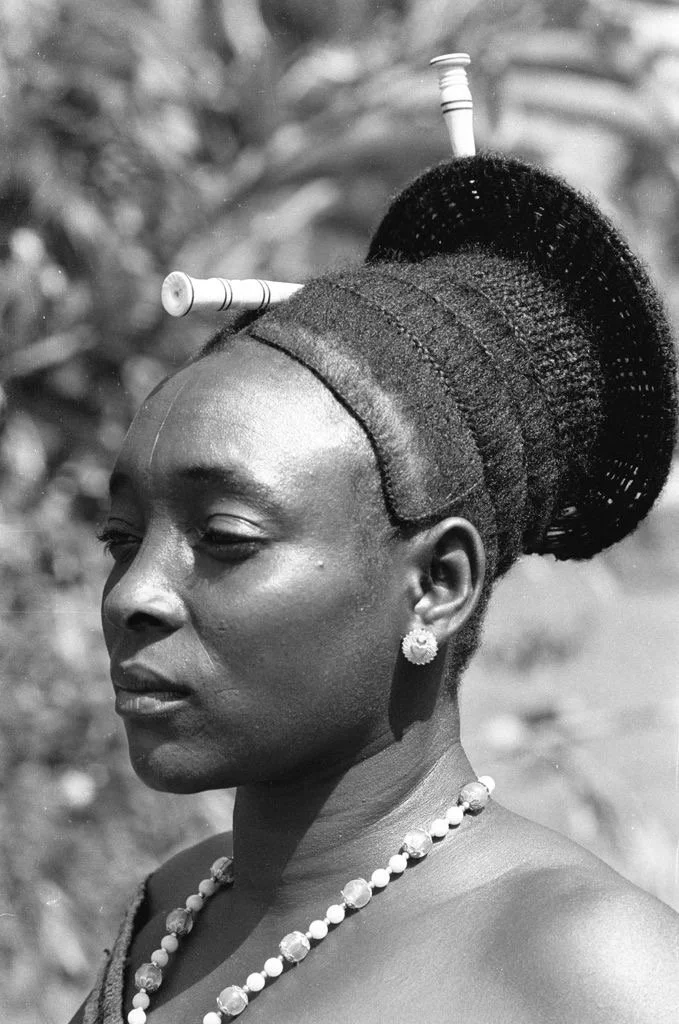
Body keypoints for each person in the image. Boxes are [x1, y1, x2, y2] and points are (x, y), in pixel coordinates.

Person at [71, 152, 678, 1024]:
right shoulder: (172, 915)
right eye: (120, 539)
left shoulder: (591, 971)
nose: (136, 592)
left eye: (224, 539)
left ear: (436, 583)